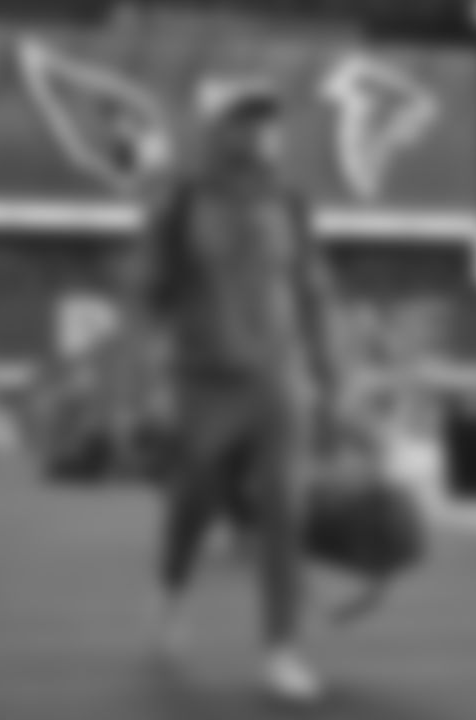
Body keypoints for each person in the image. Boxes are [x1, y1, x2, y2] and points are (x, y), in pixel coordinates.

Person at [130, 82, 350, 704]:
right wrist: (146, 382)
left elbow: (313, 291)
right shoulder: (180, 202)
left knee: (284, 508)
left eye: (266, 121)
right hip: (203, 377)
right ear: (214, 130)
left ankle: (281, 650)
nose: (259, 132)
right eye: (244, 119)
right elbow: (149, 294)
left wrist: (331, 377)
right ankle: (171, 589)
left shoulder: (291, 202)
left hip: (278, 376)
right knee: (194, 498)